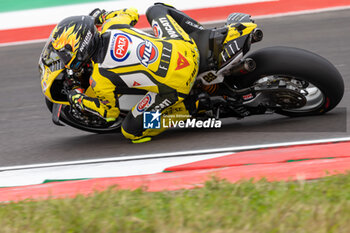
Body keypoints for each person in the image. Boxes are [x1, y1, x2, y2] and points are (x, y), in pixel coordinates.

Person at [50, 3, 203, 143]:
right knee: (156, 9)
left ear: (80, 47)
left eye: (65, 55)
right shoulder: (112, 25)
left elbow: (110, 113)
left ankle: (189, 108)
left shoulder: (100, 78)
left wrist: (79, 100)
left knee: (131, 131)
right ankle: (201, 34)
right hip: (185, 46)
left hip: (179, 84)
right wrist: (103, 16)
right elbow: (132, 13)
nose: (64, 59)